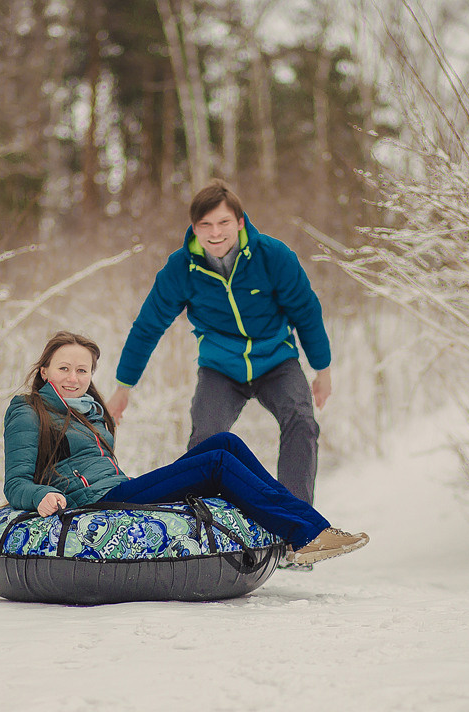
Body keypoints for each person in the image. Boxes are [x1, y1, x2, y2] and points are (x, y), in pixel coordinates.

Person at [4, 331, 367, 566]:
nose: (73, 378)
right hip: (96, 502)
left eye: (82, 371)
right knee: (217, 462)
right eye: (64, 369)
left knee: (225, 442)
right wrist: (40, 496)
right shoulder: (29, 410)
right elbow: (16, 482)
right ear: (45, 371)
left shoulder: (90, 410)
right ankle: (301, 536)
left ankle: (313, 528)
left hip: (119, 489)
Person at [107, 179, 331, 505]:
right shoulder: (181, 269)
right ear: (194, 228)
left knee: (302, 422)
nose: (215, 233)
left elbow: (306, 312)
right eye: (206, 225)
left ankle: (296, 518)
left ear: (239, 222)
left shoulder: (273, 256)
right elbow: (148, 326)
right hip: (220, 367)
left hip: (276, 360)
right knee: (205, 439)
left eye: (223, 222)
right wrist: (123, 386)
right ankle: (203, 519)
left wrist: (322, 369)